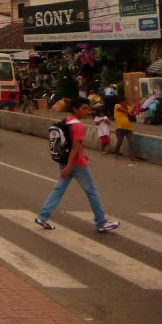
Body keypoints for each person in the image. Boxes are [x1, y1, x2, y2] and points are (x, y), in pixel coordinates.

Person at [35, 98, 119, 233]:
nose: (87, 111)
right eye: (84, 108)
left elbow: (73, 144)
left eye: (88, 108)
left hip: (66, 162)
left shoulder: (67, 120)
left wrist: (79, 155)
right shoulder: (78, 126)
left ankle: (42, 216)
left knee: (58, 190)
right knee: (92, 191)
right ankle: (101, 222)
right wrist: (70, 165)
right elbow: (74, 147)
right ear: (75, 109)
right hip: (76, 164)